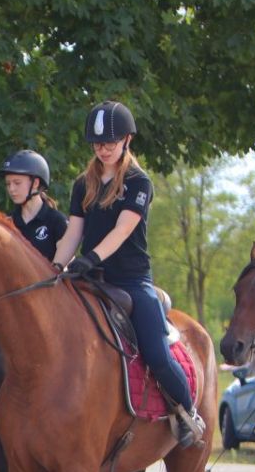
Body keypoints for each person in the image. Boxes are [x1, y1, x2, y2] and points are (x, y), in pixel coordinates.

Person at [56, 101, 205, 447]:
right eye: (97, 143)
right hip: (89, 279)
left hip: (131, 281)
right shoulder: (83, 185)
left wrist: (89, 259)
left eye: (110, 142)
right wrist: (53, 268)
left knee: (155, 352)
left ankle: (187, 412)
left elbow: (122, 231)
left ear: (127, 140)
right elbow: (72, 234)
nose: (103, 148)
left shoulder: (139, 182)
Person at [0, 149, 68, 262]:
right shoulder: (6, 222)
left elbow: (66, 267)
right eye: (8, 184)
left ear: (35, 183)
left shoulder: (57, 221)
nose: (11, 189)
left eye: (17, 183)